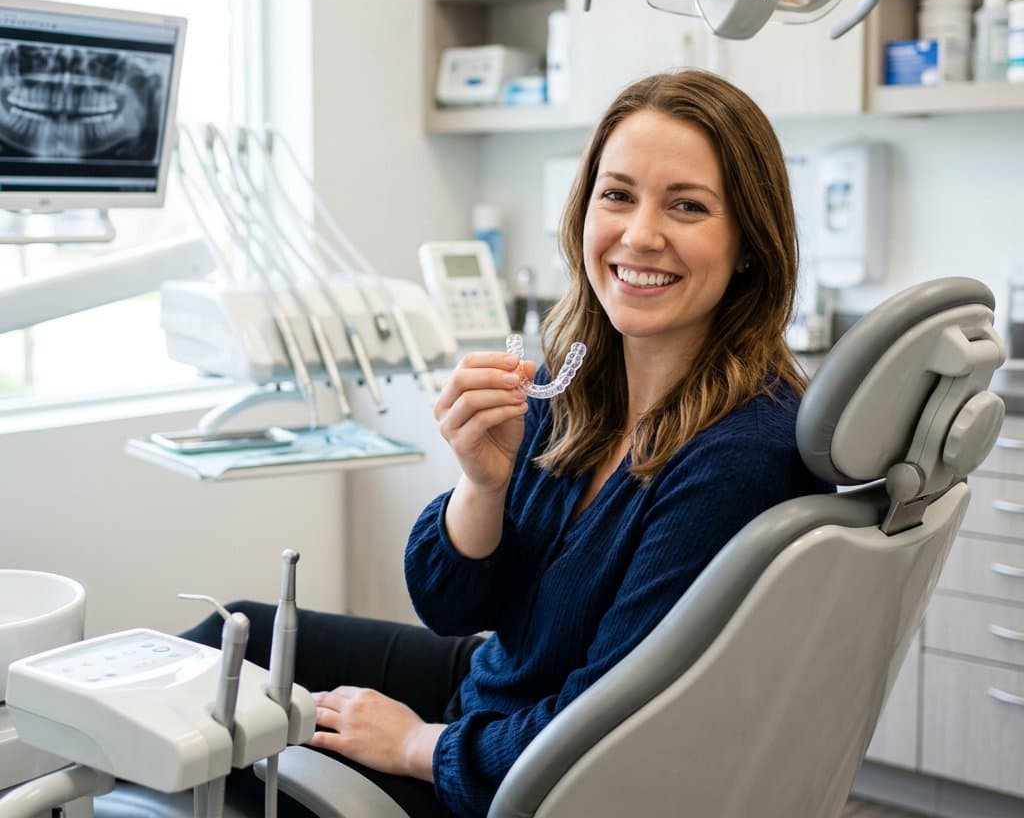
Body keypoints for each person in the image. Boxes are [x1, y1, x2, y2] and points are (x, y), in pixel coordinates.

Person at [185, 69, 834, 818]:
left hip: (522, 778)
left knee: (218, 752)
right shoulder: (576, 381)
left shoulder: (738, 457)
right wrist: (482, 486)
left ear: (749, 242)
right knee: (227, 639)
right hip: (493, 690)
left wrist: (414, 745)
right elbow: (451, 603)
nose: (640, 234)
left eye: (687, 205)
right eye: (617, 196)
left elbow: (609, 733)